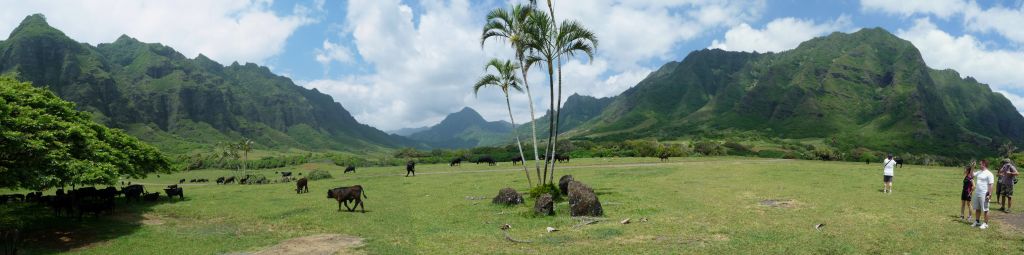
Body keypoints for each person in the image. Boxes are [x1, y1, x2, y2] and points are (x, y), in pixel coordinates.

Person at [973, 160, 995, 229]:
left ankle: (985, 223)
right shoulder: (979, 172)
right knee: (977, 208)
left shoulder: (989, 173)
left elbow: (991, 185)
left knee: (985, 209)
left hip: (984, 193)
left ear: (984, 164)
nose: (979, 165)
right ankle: (977, 221)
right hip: (977, 193)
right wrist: (972, 167)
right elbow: (971, 175)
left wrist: (989, 194)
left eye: (980, 164)